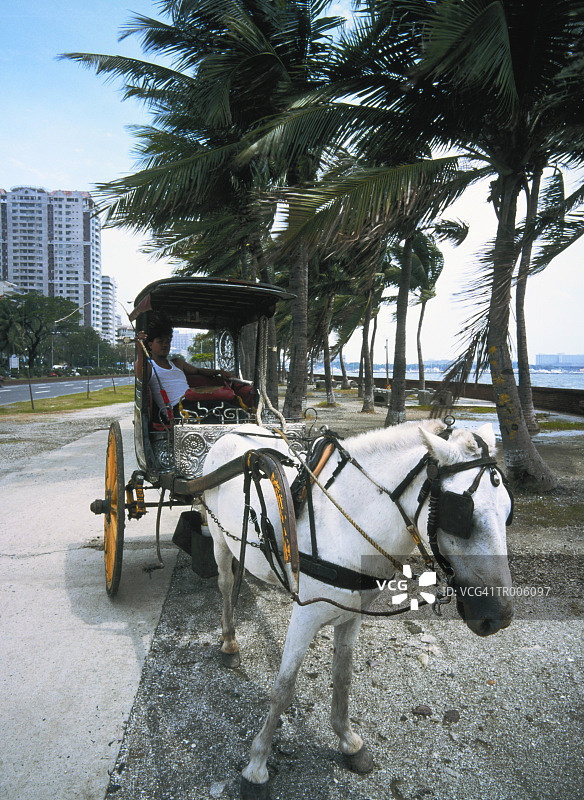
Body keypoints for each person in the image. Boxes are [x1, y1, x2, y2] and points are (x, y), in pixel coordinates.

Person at [134, 316, 235, 419]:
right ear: (150, 345)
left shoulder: (177, 363)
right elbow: (142, 378)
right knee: (220, 410)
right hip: (177, 411)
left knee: (227, 407)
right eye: (160, 341)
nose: (165, 345)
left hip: (193, 402)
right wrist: (140, 347)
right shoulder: (149, 366)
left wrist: (219, 372)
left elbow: (198, 370)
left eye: (168, 341)